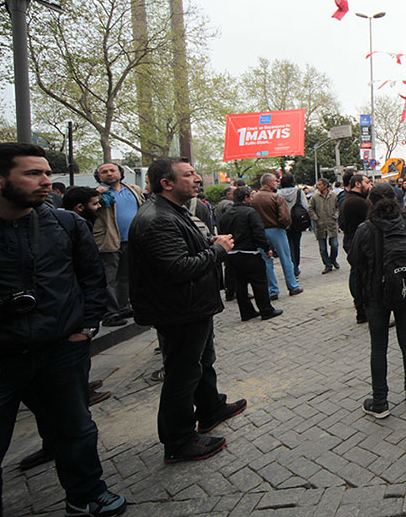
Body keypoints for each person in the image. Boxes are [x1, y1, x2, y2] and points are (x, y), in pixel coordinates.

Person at [0, 143, 127, 516]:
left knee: (76, 431)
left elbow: (92, 278)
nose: (47, 181)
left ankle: (86, 495)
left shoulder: (66, 223)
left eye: (47, 172)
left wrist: (86, 328)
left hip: (61, 351)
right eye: (34, 173)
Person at [129, 157, 247, 464]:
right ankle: (179, 439)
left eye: (196, 173)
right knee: (182, 373)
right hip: (179, 310)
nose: (197, 179)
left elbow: (180, 251)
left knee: (202, 361)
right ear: (166, 183)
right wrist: (218, 250)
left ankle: (211, 408)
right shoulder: (157, 218)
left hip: (193, 306)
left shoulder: (172, 212)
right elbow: (178, 268)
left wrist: (209, 242)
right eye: (189, 175)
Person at [350, 183, 406, 418]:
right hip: (405, 288)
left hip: (375, 294)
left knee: (378, 346)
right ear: (395, 198)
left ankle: (380, 401)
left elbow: (354, 261)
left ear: (370, 202)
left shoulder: (366, 228)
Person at [216, 186, 282, 322]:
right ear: (246, 198)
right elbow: (258, 233)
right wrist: (267, 248)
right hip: (250, 254)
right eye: (251, 196)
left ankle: (246, 312)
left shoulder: (226, 215)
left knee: (240, 285)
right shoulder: (250, 213)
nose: (252, 199)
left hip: (232, 255)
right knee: (259, 283)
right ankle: (266, 310)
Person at [92, 162, 145, 328]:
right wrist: (95, 194)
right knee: (109, 279)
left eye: (112, 170)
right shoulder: (97, 193)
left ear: (120, 173)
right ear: (99, 176)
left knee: (126, 276)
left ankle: (124, 306)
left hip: (132, 240)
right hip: (108, 241)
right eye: (104, 172)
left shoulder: (133, 189)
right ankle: (110, 313)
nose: (109, 173)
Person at [249, 174, 301, 298]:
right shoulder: (276, 197)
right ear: (269, 183)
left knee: (266, 261)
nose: (276, 183)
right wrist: (284, 225)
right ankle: (292, 286)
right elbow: (284, 217)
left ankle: (273, 290)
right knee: (286, 258)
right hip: (277, 230)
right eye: (274, 181)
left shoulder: (254, 199)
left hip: (261, 232)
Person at [341, 174, 371, 322]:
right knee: (361, 277)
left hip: (352, 241)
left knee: (358, 275)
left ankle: (361, 308)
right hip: (358, 243)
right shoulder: (358, 202)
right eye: (367, 182)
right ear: (358, 184)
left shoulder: (349, 199)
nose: (369, 185)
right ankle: (363, 309)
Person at [277, 175, 311, 278]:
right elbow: (305, 206)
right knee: (296, 245)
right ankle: (296, 267)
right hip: (297, 221)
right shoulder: (299, 192)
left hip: (283, 222)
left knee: (287, 246)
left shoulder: (278, 193)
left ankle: (290, 268)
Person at [309, 179, 340, 274]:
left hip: (332, 224)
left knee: (334, 245)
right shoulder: (314, 197)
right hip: (320, 224)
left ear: (326, 185)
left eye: (320, 185)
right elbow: (310, 208)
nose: (318, 186)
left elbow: (338, 207)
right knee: (322, 248)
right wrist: (315, 218)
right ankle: (328, 265)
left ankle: (332, 259)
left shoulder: (333, 195)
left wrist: (335, 216)